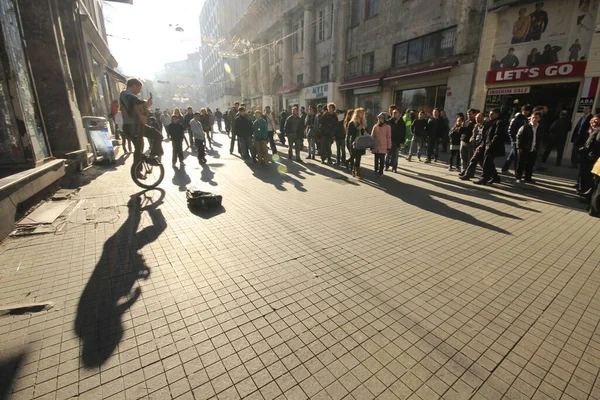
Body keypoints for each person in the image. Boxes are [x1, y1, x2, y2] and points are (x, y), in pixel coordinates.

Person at [118, 78, 163, 170]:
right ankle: (151, 157)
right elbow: (137, 105)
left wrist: (146, 105)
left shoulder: (126, 95)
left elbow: (135, 106)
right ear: (134, 86)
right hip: (134, 126)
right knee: (158, 136)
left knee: (139, 148)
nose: (139, 91)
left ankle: (137, 171)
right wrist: (145, 105)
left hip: (131, 126)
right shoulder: (127, 95)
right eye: (139, 88)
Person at [474, 108, 504, 185]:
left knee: (486, 163)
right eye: (490, 114)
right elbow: (485, 135)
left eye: (492, 114)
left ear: (497, 114)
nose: (490, 115)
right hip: (486, 145)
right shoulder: (490, 123)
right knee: (489, 163)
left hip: (493, 147)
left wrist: (490, 145)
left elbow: (496, 135)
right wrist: (482, 145)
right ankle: (496, 178)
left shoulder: (499, 123)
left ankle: (484, 178)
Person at [502, 104, 532, 174]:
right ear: (522, 110)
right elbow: (510, 130)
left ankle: (505, 168)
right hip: (515, 140)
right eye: (525, 111)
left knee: (513, 155)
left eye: (527, 111)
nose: (526, 112)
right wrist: (513, 139)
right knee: (516, 156)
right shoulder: (516, 118)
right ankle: (516, 170)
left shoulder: (525, 119)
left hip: (520, 140)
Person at [515, 110, 543, 183]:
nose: (534, 119)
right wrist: (519, 147)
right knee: (521, 163)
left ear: (539, 119)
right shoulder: (525, 127)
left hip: (533, 148)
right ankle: (518, 176)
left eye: (536, 118)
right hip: (524, 148)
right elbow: (518, 137)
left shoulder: (539, 128)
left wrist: (538, 147)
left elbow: (539, 138)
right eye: (533, 117)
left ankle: (528, 177)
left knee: (530, 164)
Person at [577, 114, 600, 195]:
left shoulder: (598, 130)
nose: (593, 121)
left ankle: (587, 191)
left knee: (590, 177)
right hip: (588, 155)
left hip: (593, 156)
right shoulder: (592, 129)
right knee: (585, 174)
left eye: (596, 120)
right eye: (593, 120)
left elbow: (595, 144)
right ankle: (584, 189)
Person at [460, 112, 486, 180]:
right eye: (476, 118)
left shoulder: (486, 126)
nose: (477, 119)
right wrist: (472, 139)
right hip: (476, 145)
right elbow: (473, 135)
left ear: (483, 118)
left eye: (479, 118)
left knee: (475, 160)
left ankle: (469, 175)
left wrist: (482, 144)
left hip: (482, 146)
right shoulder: (476, 125)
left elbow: (486, 137)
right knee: (478, 161)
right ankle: (493, 176)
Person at [347, 108, 367, 178]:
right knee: (354, 156)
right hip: (354, 141)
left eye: (363, 113)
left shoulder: (363, 122)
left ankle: (357, 171)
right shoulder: (352, 122)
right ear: (357, 113)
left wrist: (364, 128)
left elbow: (366, 132)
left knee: (358, 157)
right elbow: (349, 133)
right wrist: (356, 129)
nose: (362, 114)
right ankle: (353, 169)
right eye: (361, 113)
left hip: (361, 142)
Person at [371, 112, 392, 177]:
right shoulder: (375, 126)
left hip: (383, 145)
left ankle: (381, 171)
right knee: (376, 158)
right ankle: (376, 169)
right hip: (376, 145)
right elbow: (372, 135)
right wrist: (371, 144)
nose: (379, 119)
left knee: (382, 159)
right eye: (379, 118)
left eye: (381, 118)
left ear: (384, 119)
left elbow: (388, 137)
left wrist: (389, 146)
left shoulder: (388, 127)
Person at [460, 109, 477, 174]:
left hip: (470, 142)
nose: (468, 115)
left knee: (470, 158)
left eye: (470, 114)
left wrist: (464, 128)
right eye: (467, 114)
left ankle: (470, 172)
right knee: (463, 157)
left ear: (474, 114)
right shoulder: (466, 122)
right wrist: (462, 127)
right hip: (464, 140)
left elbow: (470, 131)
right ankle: (463, 170)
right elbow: (461, 131)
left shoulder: (475, 122)